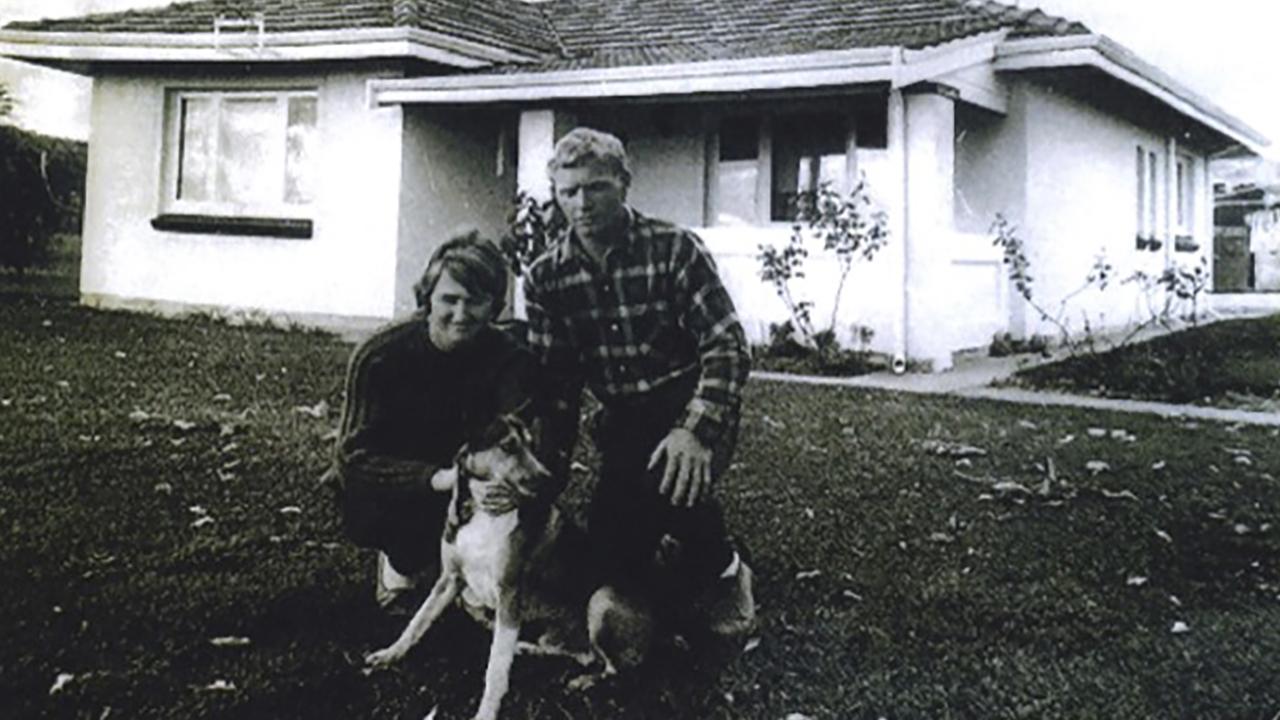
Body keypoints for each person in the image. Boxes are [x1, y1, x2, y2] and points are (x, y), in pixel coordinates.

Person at [523, 127, 756, 640]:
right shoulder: (545, 278)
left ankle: (727, 572)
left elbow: (727, 346)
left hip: (690, 404)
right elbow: (555, 386)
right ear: (556, 194)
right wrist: (547, 473)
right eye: (569, 192)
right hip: (624, 422)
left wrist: (695, 431)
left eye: (596, 187)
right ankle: (665, 556)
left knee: (670, 482)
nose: (582, 203)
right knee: (611, 551)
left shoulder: (674, 249)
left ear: (624, 184)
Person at [324, 231, 530, 609]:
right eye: (449, 299)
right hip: (405, 481)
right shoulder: (382, 354)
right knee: (391, 522)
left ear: (495, 306)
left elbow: (520, 430)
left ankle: (466, 573)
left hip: (476, 478)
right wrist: (441, 479)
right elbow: (352, 458)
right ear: (427, 297)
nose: (461, 314)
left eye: (476, 302)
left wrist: (502, 480)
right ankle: (400, 566)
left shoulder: (508, 358)